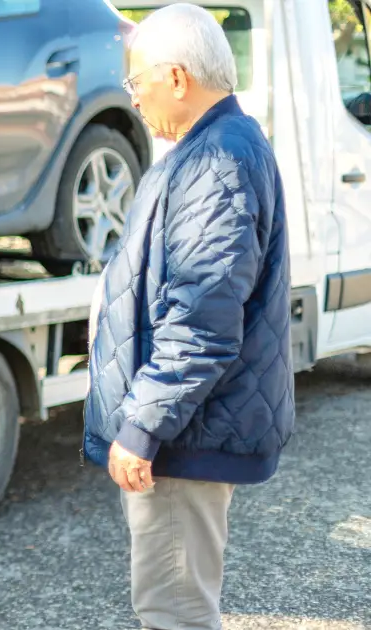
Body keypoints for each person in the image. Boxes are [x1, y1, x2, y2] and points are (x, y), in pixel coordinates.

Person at [83, 4, 294, 629]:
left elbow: (201, 320)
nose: (134, 97)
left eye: (137, 80)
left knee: (173, 612)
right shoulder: (216, 149)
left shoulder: (215, 164)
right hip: (192, 427)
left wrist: (142, 427)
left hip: (183, 434)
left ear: (176, 78)